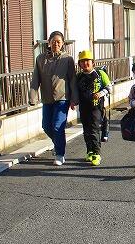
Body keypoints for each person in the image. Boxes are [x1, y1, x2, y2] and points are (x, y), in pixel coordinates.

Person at [29, 31, 76, 166]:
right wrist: (33, 97)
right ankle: (58, 144)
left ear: (62, 43)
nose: (56, 44)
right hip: (47, 98)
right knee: (46, 126)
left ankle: (60, 154)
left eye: (59, 42)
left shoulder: (67, 59)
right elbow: (36, 79)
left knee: (57, 126)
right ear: (49, 42)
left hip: (62, 98)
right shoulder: (40, 59)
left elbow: (72, 79)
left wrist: (74, 98)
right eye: (53, 41)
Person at [71, 50, 112, 166]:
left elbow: (109, 87)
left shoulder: (100, 74)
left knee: (94, 130)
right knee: (86, 131)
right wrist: (73, 101)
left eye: (87, 61)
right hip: (83, 107)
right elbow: (75, 91)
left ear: (93, 62)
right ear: (79, 64)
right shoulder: (79, 76)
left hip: (96, 108)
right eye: (82, 61)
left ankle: (97, 154)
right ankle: (89, 151)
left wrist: (100, 93)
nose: (85, 63)